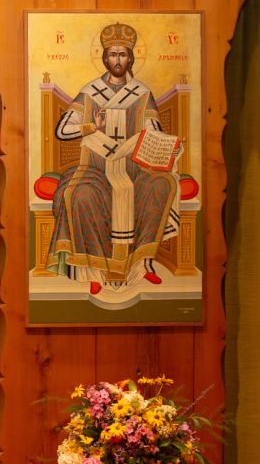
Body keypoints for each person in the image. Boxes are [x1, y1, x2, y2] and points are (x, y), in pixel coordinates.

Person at [47, 22, 181, 295]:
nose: (117, 60)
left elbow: (153, 129)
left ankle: (143, 264)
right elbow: (62, 130)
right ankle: (92, 270)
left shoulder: (142, 93)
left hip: (133, 165)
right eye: (112, 54)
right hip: (95, 165)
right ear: (104, 58)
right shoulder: (91, 92)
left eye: (122, 54)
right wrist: (91, 127)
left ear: (131, 57)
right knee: (81, 194)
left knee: (161, 185)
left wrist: (166, 145)